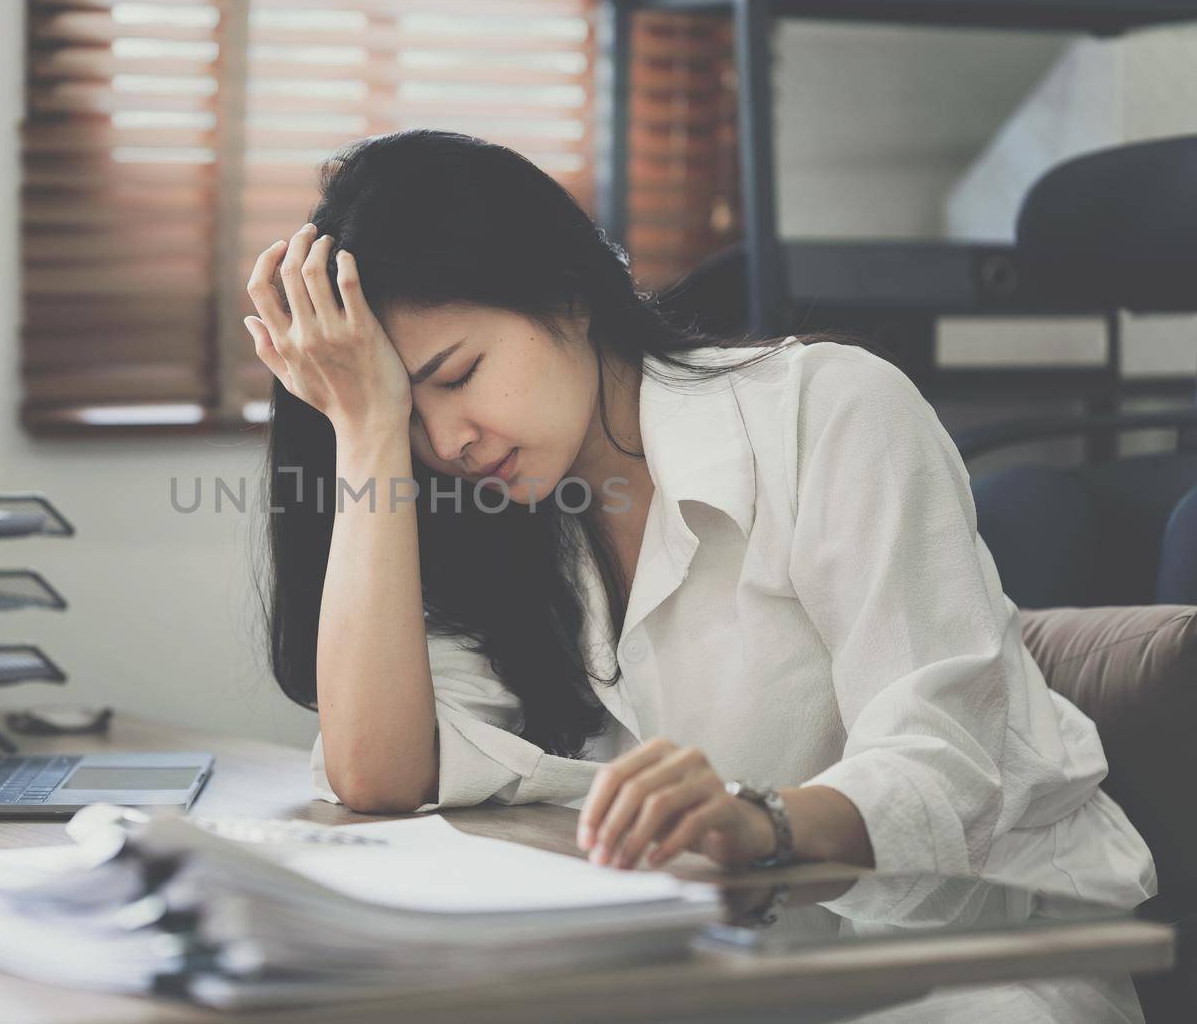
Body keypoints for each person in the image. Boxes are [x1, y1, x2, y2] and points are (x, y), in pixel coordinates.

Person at [241, 129, 1157, 922]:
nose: (447, 442)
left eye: (456, 375)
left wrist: (760, 824)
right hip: (727, 976)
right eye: (408, 418)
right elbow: (377, 779)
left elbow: (948, 763)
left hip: (969, 966)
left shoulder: (828, 411)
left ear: (566, 295)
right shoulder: (495, 519)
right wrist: (363, 435)